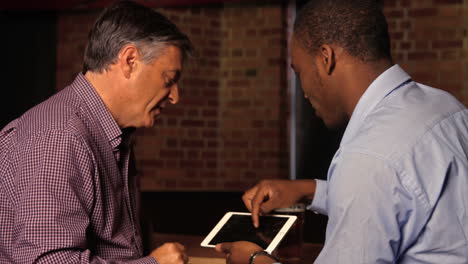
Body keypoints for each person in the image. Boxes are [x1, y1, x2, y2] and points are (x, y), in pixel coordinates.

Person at [215, 0, 468, 263]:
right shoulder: (448, 108)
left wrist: (256, 260)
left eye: (299, 72)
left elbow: (378, 176)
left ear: (326, 59)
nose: (303, 91)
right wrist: (309, 190)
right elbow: (408, 195)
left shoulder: (367, 155)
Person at [0, 1, 193, 263]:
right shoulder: (60, 137)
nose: (175, 97)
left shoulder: (109, 132)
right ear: (130, 60)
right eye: (169, 80)